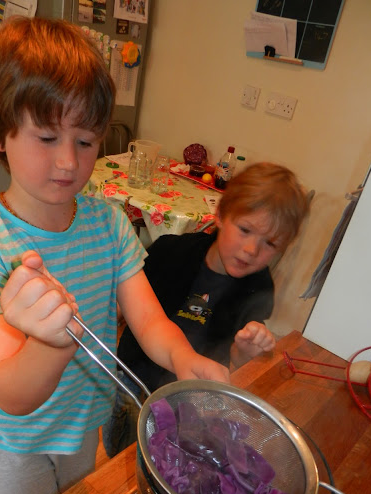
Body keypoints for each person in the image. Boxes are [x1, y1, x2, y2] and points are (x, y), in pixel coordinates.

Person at [0, 17, 229, 494]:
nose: (68, 162)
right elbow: (12, 394)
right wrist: (52, 342)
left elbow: (149, 322)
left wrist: (183, 358)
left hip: (82, 417)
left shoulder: (109, 222)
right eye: (47, 136)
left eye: (85, 141)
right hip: (15, 440)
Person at [104, 162, 310, 457]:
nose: (251, 250)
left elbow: (237, 361)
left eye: (270, 243)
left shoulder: (259, 289)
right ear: (221, 215)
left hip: (191, 402)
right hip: (134, 381)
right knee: (122, 457)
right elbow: (129, 301)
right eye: (245, 230)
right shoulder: (171, 251)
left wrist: (247, 350)